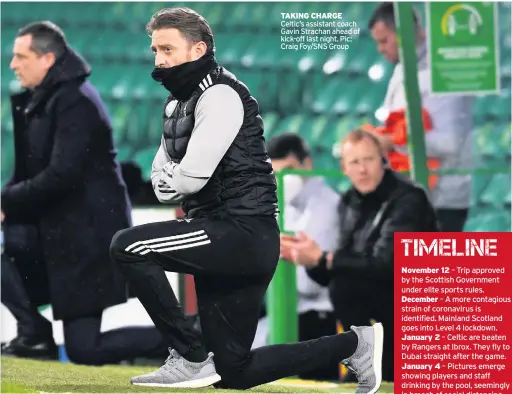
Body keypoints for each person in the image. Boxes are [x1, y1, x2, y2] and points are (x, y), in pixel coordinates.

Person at [109, 7, 384, 392]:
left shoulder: (220, 95)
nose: (159, 60)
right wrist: (179, 178)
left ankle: (188, 356)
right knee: (233, 371)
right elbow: (161, 185)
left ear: (198, 48)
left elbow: (187, 178)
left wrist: (179, 177)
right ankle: (355, 344)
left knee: (130, 246)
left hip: (239, 232)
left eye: (168, 49)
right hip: (227, 235)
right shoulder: (176, 105)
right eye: (155, 51)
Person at [1, 21, 166, 365]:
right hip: (56, 235)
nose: (13, 64)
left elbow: (62, 175)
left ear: (46, 59)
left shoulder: (75, 102)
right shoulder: (40, 102)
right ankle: (33, 334)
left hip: (87, 241)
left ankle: (191, 338)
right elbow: (28, 172)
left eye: (21, 56)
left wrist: (6, 202)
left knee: (84, 350)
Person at [281, 128, 439, 383]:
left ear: (383, 161)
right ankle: (368, 364)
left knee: (344, 288)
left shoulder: (408, 198)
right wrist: (309, 260)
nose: (362, 169)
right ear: (344, 168)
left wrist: (326, 258)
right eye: (355, 162)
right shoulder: (348, 202)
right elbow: (343, 270)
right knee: (341, 286)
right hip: (383, 296)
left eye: (369, 160)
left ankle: (374, 365)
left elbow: (389, 264)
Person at [368, 2, 473, 232]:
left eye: (384, 41)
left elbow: (450, 143)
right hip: (413, 196)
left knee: (430, 268)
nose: (380, 49)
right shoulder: (402, 69)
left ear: (404, 33)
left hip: (442, 199)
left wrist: (393, 141)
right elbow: (393, 122)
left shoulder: (441, 71)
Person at [252, 133, 340, 382]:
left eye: (289, 169)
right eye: (276, 172)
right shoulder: (285, 204)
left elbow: (309, 285)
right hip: (286, 309)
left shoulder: (325, 207)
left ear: (307, 164)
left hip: (317, 317)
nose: (283, 179)